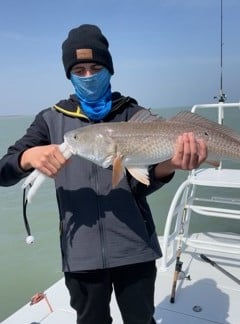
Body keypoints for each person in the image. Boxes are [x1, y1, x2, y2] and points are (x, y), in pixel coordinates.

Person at [0, 24, 207, 324]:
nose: (88, 76)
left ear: (109, 70)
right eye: (79, 69)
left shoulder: (134, 115)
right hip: (80, 256)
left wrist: (171, 163)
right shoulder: (50, 120)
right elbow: (4, 170)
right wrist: (28, 157)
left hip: (135, 248)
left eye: (95, 67)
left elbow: (139, 185)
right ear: (69, 74)